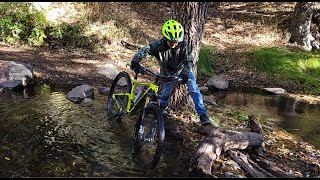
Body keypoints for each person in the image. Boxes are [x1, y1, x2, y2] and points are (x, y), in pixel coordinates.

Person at [130, 19, 212, 126]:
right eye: (171, 42)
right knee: (164, 95)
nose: (173, 44)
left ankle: (202, 115)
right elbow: (144, 50)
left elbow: (188, 60)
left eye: (175, 42)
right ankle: (160, 113)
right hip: (168, 74)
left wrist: (185, 73)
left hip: (183, 71)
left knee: (194, 89)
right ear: (165, 38)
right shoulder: (158, 45)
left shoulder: (183, 45)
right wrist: (136, 61)